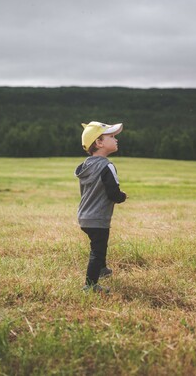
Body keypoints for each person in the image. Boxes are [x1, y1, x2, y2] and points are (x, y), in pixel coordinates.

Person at [75, 121, 127, 293]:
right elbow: (113, 193)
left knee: (99, 244)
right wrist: (122, 197)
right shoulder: (107, 166)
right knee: (97, 251)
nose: (116, 139)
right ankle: (90, 285)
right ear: (99, 143)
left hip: (84, 216)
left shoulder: (86, 166)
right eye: (112, 136)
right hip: (98, 218)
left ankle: (102, 269)